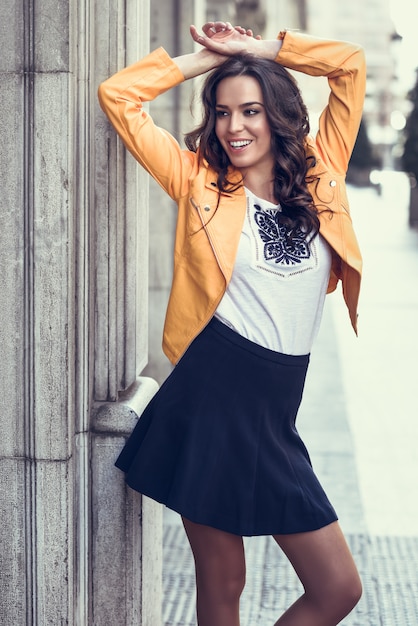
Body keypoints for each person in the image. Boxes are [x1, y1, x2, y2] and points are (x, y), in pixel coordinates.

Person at [98, 21, 366, 626]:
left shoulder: (322, 173)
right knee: (223, 585)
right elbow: (119, 95)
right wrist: (202, 60)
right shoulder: (199, 182)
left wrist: (259, 50)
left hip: (275, 409)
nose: (234, 126)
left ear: (279, 115)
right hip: (214, 393)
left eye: (250, 110)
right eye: (222, 113)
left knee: (337, 589)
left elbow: (349, 64)